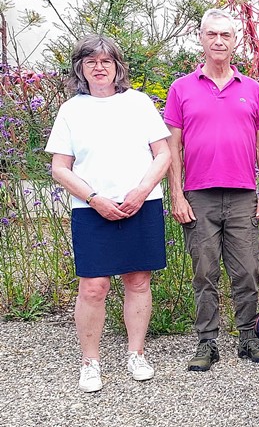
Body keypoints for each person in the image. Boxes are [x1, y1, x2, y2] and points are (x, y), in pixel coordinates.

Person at [46, 35, 171, 392]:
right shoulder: (71, 110)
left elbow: (162, 154)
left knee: (138, 280)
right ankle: (90, 361)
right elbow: (60, 167)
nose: (99, 68)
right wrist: (95, 198)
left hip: (141, 203)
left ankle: (136, 353)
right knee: (93, 287)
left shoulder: (138, 103)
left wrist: (141, 190)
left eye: (106, 61)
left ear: (118, 67)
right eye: (90, 62)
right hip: (91, 208)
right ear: (80, 69)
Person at [165, 8, 259, 371]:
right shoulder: (181, 88)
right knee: (204, 271)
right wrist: (177, 194)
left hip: (244, 194)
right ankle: (207, 343)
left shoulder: (253, 89)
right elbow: (173, 146)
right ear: (201, 38)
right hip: (198, 195)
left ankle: (248, 337)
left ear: (235, 41)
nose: (218, 41)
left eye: (225, 35)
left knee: (247, 270)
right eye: (211, 34)